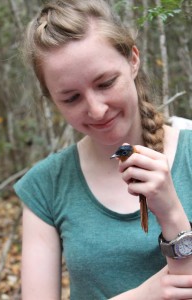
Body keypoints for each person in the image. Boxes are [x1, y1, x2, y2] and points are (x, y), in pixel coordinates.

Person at [14, 0, 192, 299]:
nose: (96, 110)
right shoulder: (45, 186)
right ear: (52, 101)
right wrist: (142, 295)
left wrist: (171, 210)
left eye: (106, 83)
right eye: (71, 98)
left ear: (133, 60)